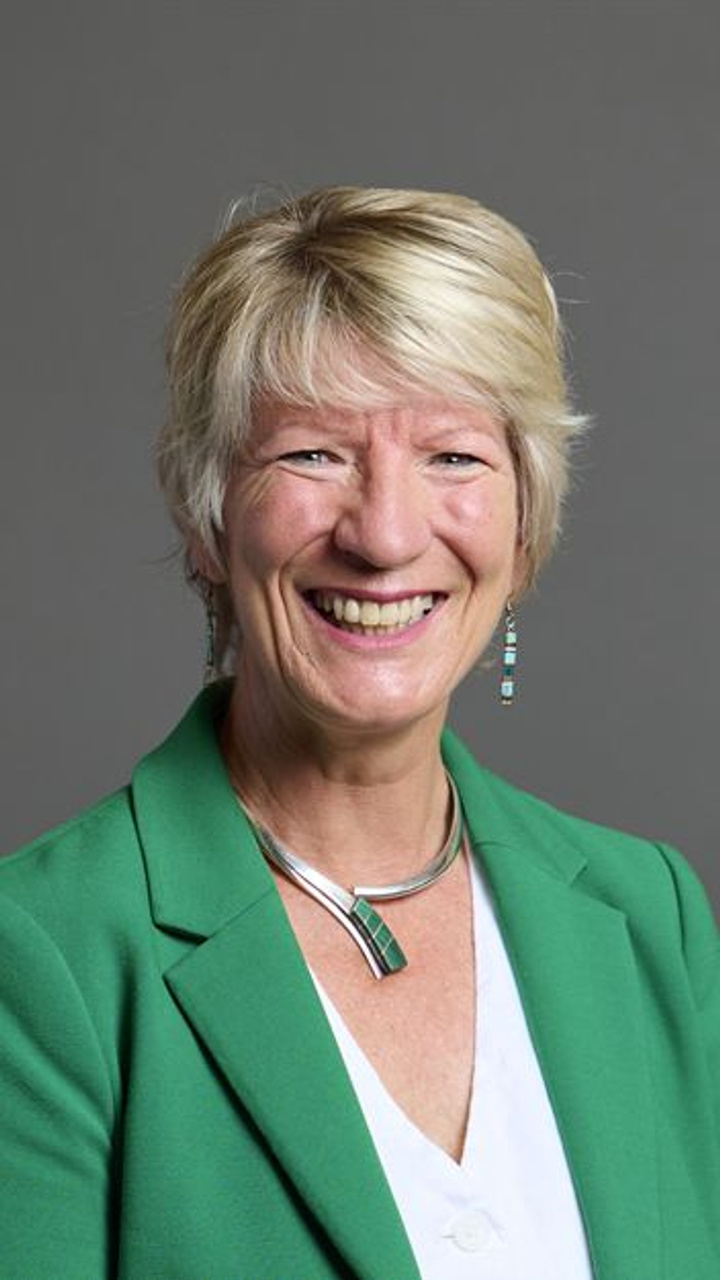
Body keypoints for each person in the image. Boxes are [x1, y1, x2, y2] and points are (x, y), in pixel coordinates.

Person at [0, 186, 718, 1280]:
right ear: (207, 517)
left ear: (526, 525)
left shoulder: (650, 914)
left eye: (454, 457)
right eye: (314, 454)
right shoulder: (42, 953)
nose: (384, 534)